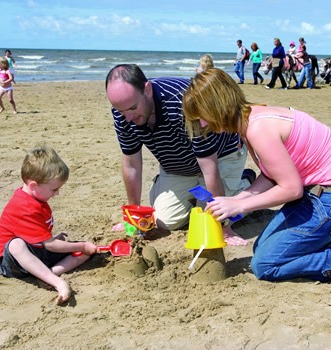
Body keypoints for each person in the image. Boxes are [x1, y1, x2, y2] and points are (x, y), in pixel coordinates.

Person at [183, 68, 331, 284]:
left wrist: (241, 207)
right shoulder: (251, 117)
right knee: (261, 247)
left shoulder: (257, 128)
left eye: (202, 117)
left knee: (265, 265)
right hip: (320, 194)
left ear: (217, 105)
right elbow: (271, 176)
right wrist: (235, 200)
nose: (203, 125)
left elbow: (291, 188)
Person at [105, 64, 253, 246]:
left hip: (220, 157)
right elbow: (131, 164)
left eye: (133, 108)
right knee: (163, 221)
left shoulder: (184, 103)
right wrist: (132, 215)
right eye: (120, 111)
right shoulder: (122, 111)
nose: (127, 117)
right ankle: (194, 198)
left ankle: (247, 184)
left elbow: (209, 167)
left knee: (210, 219)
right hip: (178, 167)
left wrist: (222, 225)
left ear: (148, 90)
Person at [0, 145, 98, 305]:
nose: (57, 193)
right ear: (34, 186)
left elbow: (43, 241)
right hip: (12, 263)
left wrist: (78, 247)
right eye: (54, 189)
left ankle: (50, 273)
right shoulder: (25, 206)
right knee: (16, 244)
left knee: (83, 251)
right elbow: (50, 245)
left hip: (37, 252)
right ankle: (58, 282)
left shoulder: (38, 199)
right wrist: (81, 245)